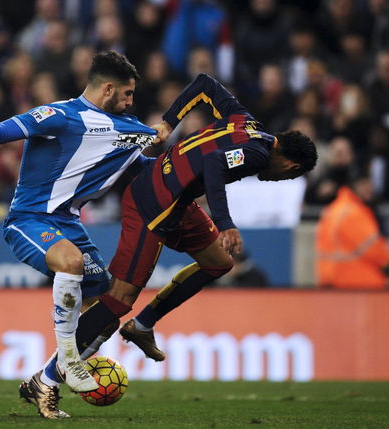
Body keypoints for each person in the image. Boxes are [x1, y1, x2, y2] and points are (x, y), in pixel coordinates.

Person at [36, 73, 315, 405]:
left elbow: (204, 84)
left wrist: (169, 122)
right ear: (291, 165)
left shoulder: (246, 121)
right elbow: (214, 163)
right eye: (289, 175)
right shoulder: (257, 154)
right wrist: (225, 223)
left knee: (218, 262)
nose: (278, 179)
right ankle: (47, 378)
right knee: (120, 298)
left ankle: (144, 324)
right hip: (153, 202)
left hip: (174, 196)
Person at [0, 51, 160, 418]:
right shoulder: (61, 115)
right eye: (127, 94)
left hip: (69, 224)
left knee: (108, 313)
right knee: (72, 261)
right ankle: (68, 360)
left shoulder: (119, 129)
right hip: (28, 220)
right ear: (108, 88)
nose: (131, 102)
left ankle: (45, 381)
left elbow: (140, 168)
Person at [315, 175, 389, 289]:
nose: (369, 189)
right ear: (354, 187)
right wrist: (387, 262)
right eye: (364, 184)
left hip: (331, 278)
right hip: (357, 280)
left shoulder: (333, 209)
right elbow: (372, 246)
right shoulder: (355, 212)